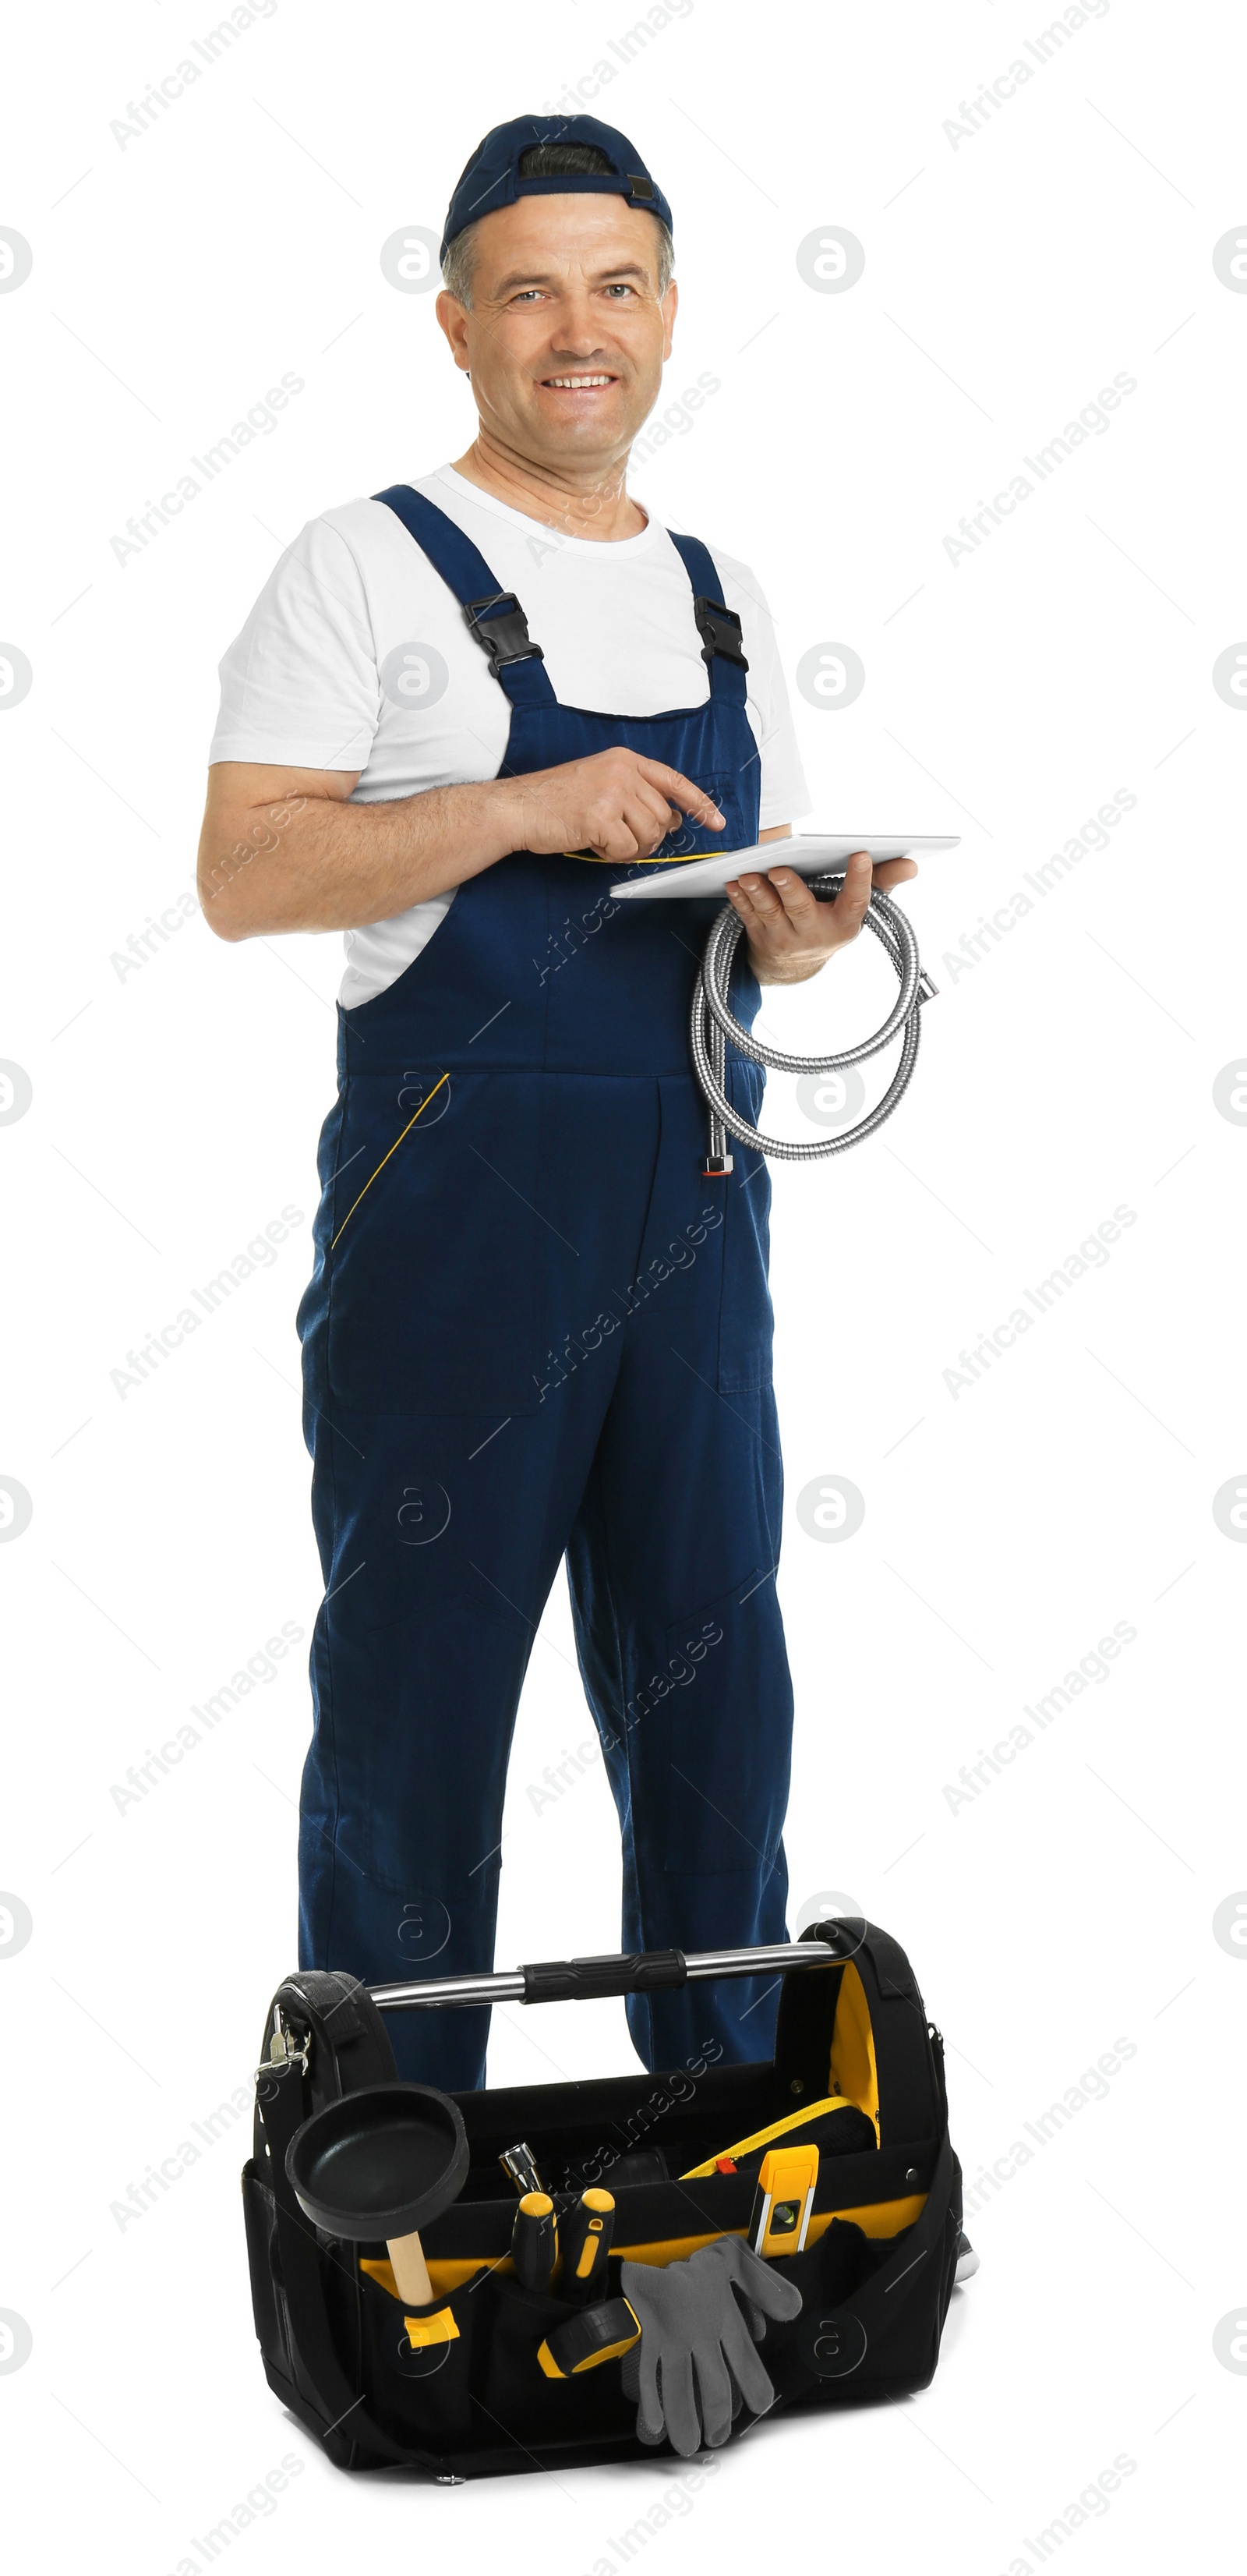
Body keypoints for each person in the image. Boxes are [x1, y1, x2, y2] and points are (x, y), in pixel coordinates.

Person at [197, 114, 917, 2089]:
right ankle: (389, 2195)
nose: (574, 332)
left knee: (712, 1689)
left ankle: (724, 2152)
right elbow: (241, 876)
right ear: (457, 326)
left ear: (667, 314)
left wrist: (793, 934)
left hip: (691, 1195)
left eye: (614, 288)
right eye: (528, 292)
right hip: (454, 1219)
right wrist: (518, 807)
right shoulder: (363, 564)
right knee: (420, 1701)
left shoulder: (719, 591)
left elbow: (734, 926)